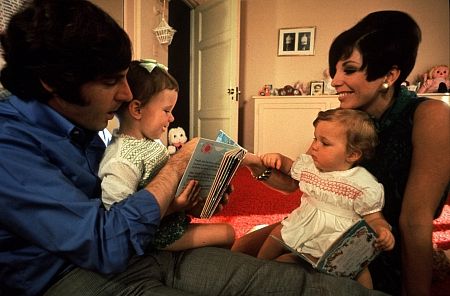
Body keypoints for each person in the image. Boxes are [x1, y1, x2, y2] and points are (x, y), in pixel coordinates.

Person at [0, 0, 389, 295]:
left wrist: (177, 201)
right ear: (53, 82)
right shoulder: (9, 146)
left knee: (293, 285)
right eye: (110, 81)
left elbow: (118, 208)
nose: (124, 94)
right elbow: (105, 244)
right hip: (72, 276)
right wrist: (177, 165)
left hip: (145, 248)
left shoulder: (87, 120)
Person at [235, 10, 450, 296]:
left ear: (390, 74)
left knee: (282, 273)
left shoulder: (431, 115)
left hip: (377, 241)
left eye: (348, 70)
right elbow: (301, 183)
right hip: (331, 220)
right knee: (241, 251)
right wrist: (256, 167)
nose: (335, 80)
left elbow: (413, 221)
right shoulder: (345, 118)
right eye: (334, 70)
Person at [99, 59, 235, 250]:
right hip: (153, 237)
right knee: (226, 233)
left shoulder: (151, 142)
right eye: (166, 111)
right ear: (137, 109)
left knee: (223, 232)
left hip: (172, 223)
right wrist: (174, 206)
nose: (171, 118)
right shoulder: (120, 159)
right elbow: (122, 219)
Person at [253, 109, 395, 289]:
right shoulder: (310, 166)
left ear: (352, 155)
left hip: (338, 235)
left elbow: (374, 217)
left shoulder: (363, 184)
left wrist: (382, 230)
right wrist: (278, 158)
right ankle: (259, 270)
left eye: (325, 143)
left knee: (360, 270)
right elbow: (290, 167)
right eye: (315, 138)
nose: (314, 146)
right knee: (278, 234)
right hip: (305, 222)